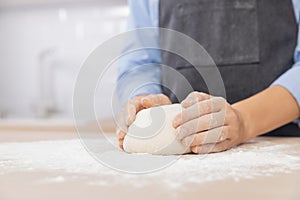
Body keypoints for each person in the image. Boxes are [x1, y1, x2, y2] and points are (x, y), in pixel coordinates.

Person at [116, 0, 300, 154]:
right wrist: (144, 99)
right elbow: (139, 64)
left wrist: (244, 120)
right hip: (183, 161)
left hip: (279, 150)